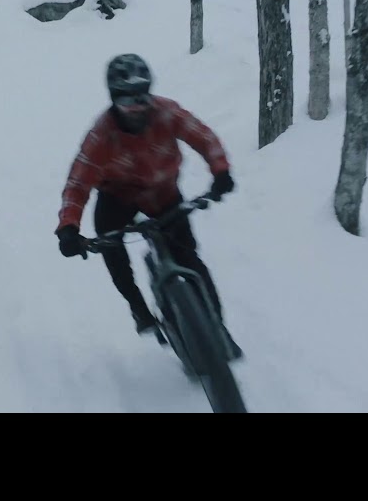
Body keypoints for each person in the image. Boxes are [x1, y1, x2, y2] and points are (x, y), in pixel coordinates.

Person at [55, 54, 241, 356]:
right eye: (127, 100)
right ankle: (139, 308)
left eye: (142, 96)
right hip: (117, 199)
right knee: (115, 257)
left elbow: (202, 136)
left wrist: (220, 170)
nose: (137, 107)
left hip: (164, 195)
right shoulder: (102, 135)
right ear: (114, 99)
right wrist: (68, 227)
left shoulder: (166, 113)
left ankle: (217, 329)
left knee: (190, 260)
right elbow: (77, 183)